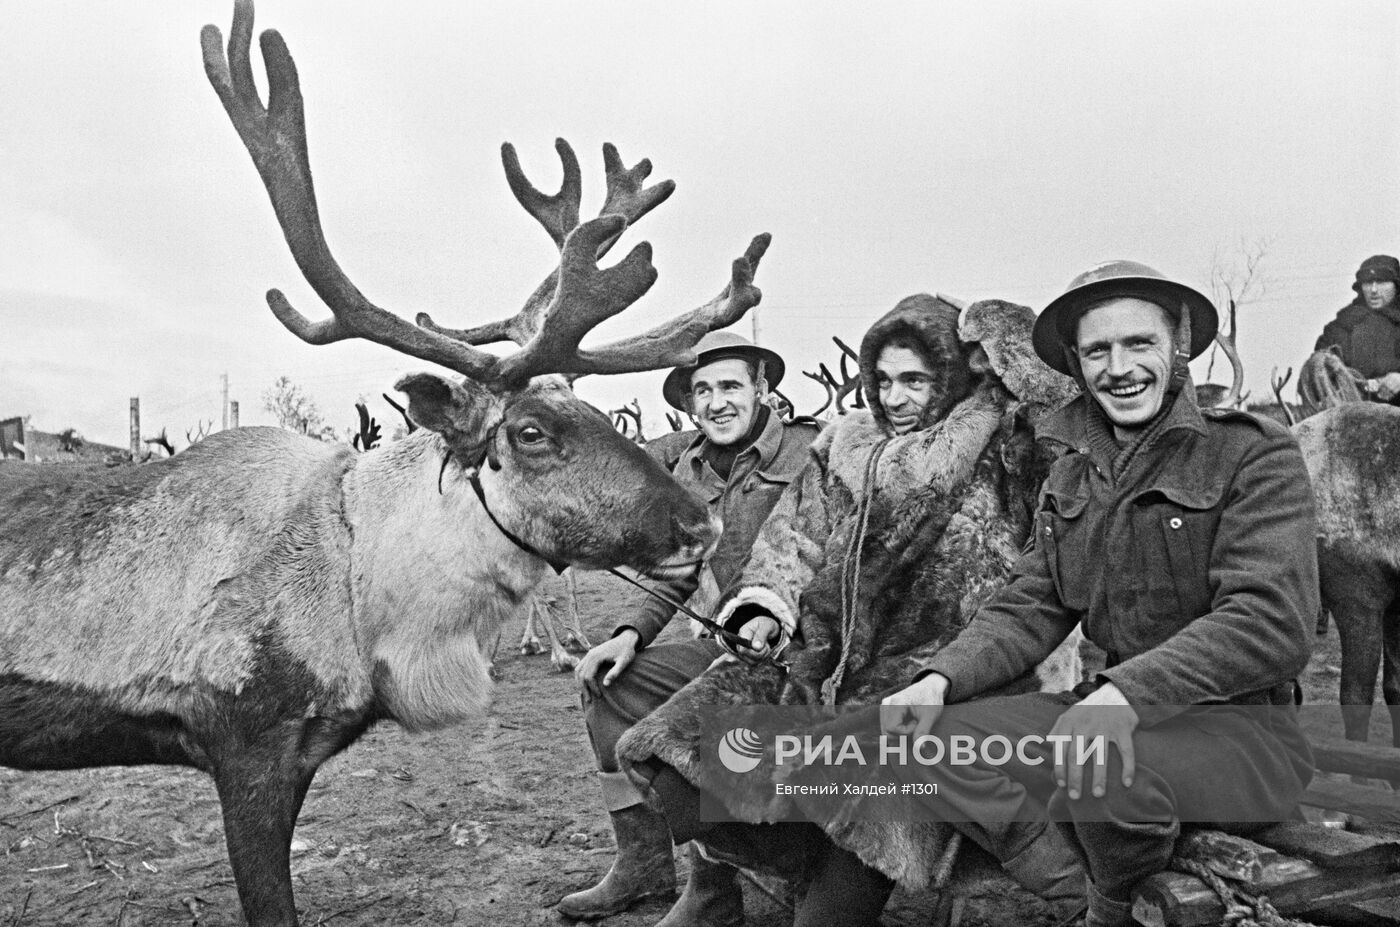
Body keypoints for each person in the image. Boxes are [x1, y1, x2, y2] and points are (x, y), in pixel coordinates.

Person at [614, 294, 1080, 927]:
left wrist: (1006, 338)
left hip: (941, 680)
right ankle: (803, 858)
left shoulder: (1007, 443)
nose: (894, 398)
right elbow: (792, 540)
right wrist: (764, 609)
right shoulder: (845, 444)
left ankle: (835, 879)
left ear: (954, 373)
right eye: (882, 380)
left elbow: (1069, 417)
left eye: (914, 380)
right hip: (821, 661)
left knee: (858, 824)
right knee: (680, 758)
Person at [880, 261, 1319, 926]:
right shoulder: (1070, 477)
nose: (1120, 368)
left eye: (1139, 343)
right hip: (1107, 718)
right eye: (1097, 351)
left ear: (1178, 344)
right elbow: (1031, 603)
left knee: (1091, 756)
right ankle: (1082, 898)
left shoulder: (1253, 454)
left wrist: (1123, 694)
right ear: (1076, 364)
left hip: (1242, 741)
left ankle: (1111, 908)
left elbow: (1269, 622)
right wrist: (937, 681)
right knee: (925, 739)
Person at [557, 331, 820, 922]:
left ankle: (727, 882)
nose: (716, 402)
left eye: (730, 386)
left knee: (712, 714)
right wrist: (628, 634)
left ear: (762, 388)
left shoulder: (813, 453)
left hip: (808, 654)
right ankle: (646, 865)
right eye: (702, 390)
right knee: (609, 683)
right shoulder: (688, 469)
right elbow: (681, 569)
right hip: (727, 647)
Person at [1314, 254, 1400, 402]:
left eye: (1381, 282)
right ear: (1360, 288)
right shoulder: (1339, 329)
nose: (1374, 290)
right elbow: (1315, 378)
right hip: (1351, 412)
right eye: (1368, 283)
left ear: (1397, 286)